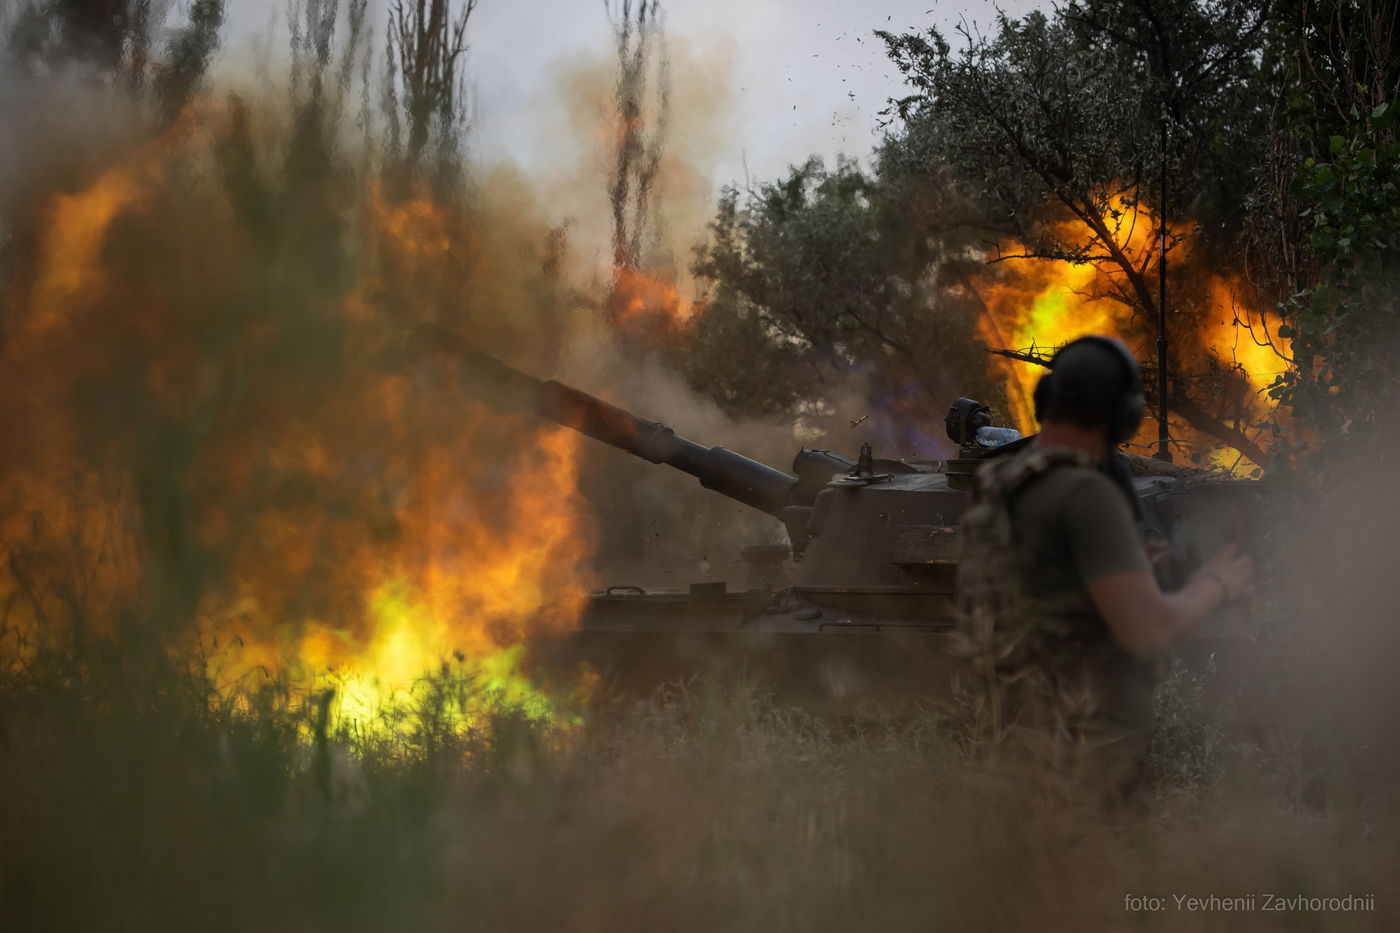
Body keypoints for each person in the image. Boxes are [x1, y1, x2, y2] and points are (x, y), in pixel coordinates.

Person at [954, 335, 1254, 795]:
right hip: (1084, 758)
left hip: (1011, 735)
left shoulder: (999, 479)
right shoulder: (1088, 495)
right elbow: (1151, 631)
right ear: (1123, 414)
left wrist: (1126, 566)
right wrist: (1218, 582)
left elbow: (1041, 581)